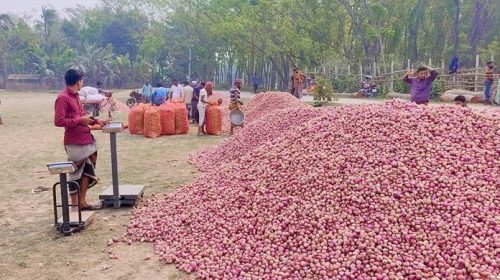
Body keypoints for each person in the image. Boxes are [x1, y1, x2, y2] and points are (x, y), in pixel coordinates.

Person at [54, 69, 108, 210]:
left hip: (86, 139)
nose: (82, 83)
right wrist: (79, 120)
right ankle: (74, 204)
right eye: (82, 80)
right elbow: (59, 121)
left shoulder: (76, 96)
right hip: (74, 141)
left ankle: (82, 202)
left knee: (87, 170)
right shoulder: (63, 97)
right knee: (75, 172)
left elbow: (83, 115)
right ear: (78, 81)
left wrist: (97, 120)